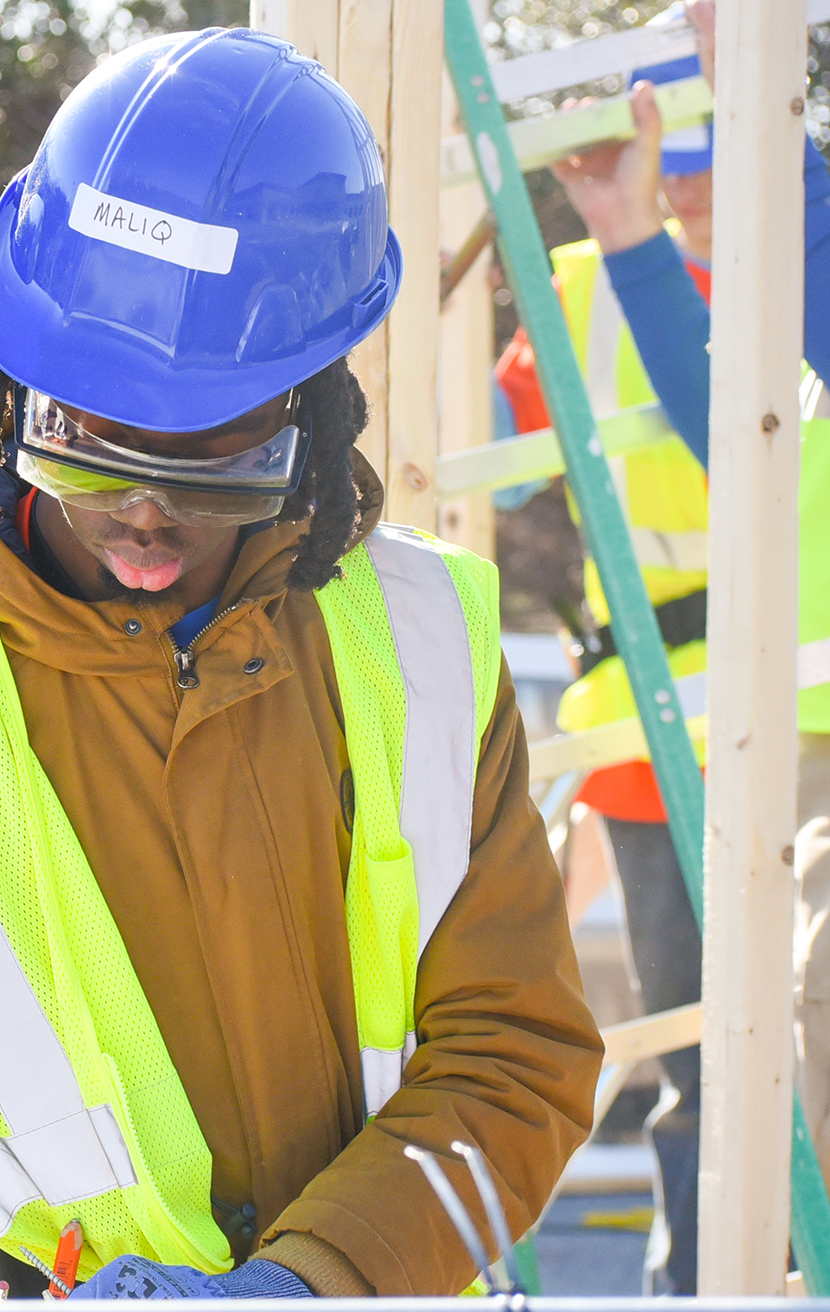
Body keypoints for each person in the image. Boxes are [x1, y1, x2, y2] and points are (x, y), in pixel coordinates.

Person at [0, 29, 601, 1300]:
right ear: (14, 393)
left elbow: (519, 1055)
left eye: (212, 464)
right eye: (94, 452)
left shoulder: (423, 652)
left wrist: (309, 1281)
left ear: (313, 409)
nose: (146, 521)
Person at [492, 1, 830, 1291]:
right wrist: (632, 234)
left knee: (768, 1049)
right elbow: (728, 423)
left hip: (753, 715)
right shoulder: (685, 302)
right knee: (732, 1063)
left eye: (712, 141)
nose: (693, 176)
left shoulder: (799, 261)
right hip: (696, 727)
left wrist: (768, 132)